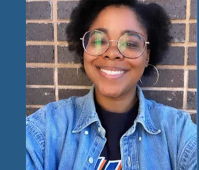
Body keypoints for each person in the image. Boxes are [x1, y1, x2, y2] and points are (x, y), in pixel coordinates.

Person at [26, 0, 197, 169]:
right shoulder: (47, 128)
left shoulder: (178, 132)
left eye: (130, 43)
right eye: (99, 41)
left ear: (147, 56)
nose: (113, 53)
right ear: (84, 49)